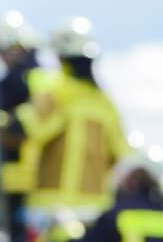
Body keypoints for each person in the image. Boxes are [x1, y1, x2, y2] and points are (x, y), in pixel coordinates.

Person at [16, 17, 128, 212]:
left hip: (49, 208)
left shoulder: (55, 92)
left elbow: (24, 130)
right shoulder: (106, 104)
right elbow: (121, 157)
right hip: (94, 211)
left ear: (60, 56)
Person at [0, 10, 41, 242]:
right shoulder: (44, 78)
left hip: (17, 180)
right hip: (38, 183)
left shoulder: (16, 81)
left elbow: (16, 127)